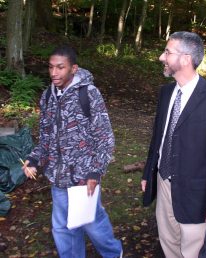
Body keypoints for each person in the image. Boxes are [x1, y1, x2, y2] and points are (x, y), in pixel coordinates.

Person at [21, 45, 122, 258]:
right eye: (50, 67)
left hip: (83, 177)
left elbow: (105, 137)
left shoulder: (89, 93)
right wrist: (33, 159)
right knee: (63, 228)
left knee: (91, 223)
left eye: (60, 67)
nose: (54, 73)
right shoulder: (48, 95)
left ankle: (114, 254)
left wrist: (95, 171)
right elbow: (46, 137)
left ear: (73, 68)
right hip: (57, 176)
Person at [141, 31, 206, 258]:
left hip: (195, 192)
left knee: (192, 249)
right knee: (168, 242)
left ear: (185, 59)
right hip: (163, 183)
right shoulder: (165, 93)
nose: (162, 57)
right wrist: (148, 173)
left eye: (167, 52)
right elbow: (158, 138)